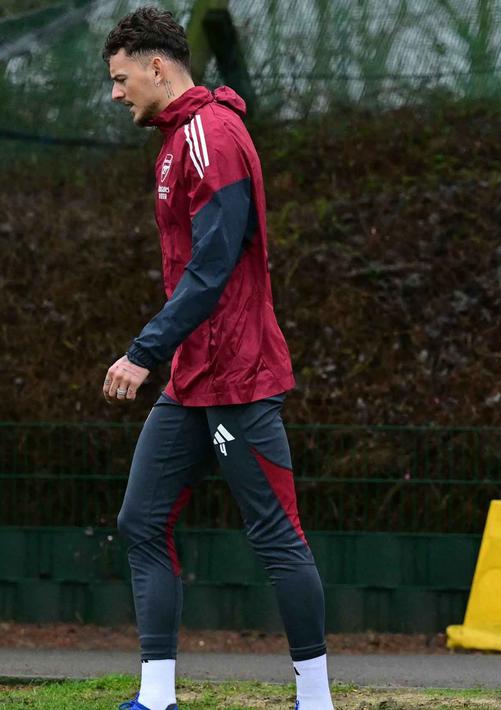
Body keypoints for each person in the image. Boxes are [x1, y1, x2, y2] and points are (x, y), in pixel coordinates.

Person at [101, 8, 332, 710]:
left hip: (238, 375)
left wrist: (144, 351)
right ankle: (157, 696)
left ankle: (315, 701)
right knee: (140, 521)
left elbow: (216, 261)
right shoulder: (176, 141)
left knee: (274, 534)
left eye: (120, 78)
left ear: (157, 67)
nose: (116, 94)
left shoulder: (211, 135)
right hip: (193, 378)